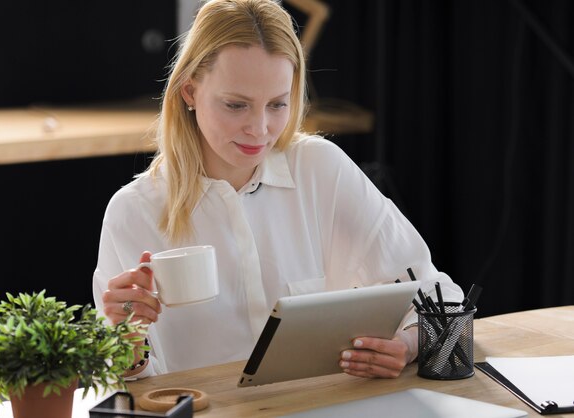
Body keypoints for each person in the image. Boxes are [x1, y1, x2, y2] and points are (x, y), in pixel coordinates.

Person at [92, 0, 463, 381]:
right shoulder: (132, 213)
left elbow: (443, 300)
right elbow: (121, 386)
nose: (260, 128)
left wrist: (406, 345)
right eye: (236, 105)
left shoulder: (321, 171)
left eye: (277, 104)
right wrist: (127, 345)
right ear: (189, 92)